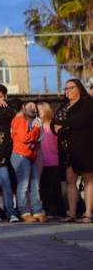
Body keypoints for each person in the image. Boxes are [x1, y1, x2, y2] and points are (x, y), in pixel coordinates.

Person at [53, 79, 93, 223]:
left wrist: (62, 126)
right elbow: (53, 123)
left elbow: (81, 120)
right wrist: (59, 127)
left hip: (84, 147)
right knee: (70, 180)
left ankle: (88, 214)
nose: (68, 91)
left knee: (88, 179)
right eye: (66, 88)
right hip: (66, 150)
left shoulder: (87, 103)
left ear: (79, 88)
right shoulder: (64, 106)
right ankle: (72, 214)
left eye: (71, 87)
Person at [9, 98, 46, 222]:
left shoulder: (31, 121)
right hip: (21, 154)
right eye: (29, 105)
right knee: (23, 185)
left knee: (35, 184)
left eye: (34, 106)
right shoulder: (19, 120)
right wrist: (35, 129)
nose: (33, 108)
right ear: (23, 107)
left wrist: (35, 128)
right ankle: (24, 210)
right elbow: (25, 138)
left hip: (30, 154)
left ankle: (37, 210)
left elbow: (37, 139)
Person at [37, 102, 65, 217]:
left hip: (54, 160)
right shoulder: (36, 125)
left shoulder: (54, 124)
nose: (39, 112)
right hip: (41, 161)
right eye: (38, 109)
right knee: (43, 188)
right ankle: (47, 209)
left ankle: (60, 210)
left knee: (55, 187)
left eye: (42, 109)